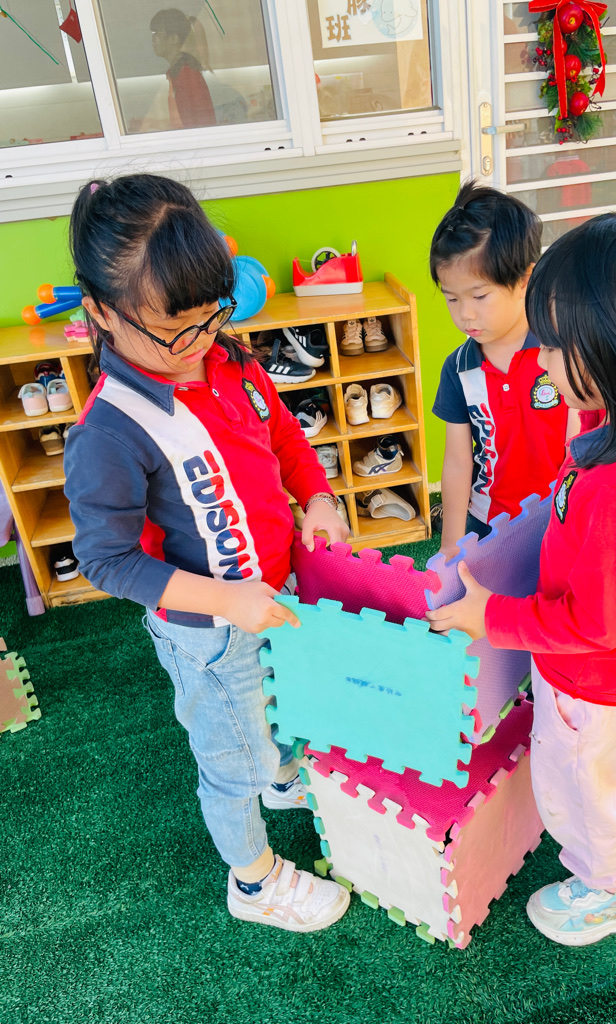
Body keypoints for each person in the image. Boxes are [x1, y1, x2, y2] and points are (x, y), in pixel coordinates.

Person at [426, 213, 616, 946]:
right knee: (615, 750)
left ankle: (615, 886)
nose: (541, 361)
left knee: (570, 783)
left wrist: (490, 616)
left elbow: (593, 624)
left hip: (589, 682)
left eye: (555, 346)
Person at [64, 173, 351, 933]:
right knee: (230, 761)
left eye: (211, 316)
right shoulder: (109, 431)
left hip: (273, 593)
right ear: (102, 311)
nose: (196, 344)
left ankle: (281, 776)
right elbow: (106, 560)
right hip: (211, 633)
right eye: (174, 331)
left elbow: (283, 436)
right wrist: (226, 599)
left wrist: (319, 497)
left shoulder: (230, 358)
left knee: (280, 705)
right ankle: (254, 881)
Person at [430, 181, 578, 559]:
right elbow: (458, 461)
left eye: (479, 296)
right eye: (452, 299)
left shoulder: (561, 350)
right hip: (488, 522)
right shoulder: (458, 369)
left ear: (525, 279)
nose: (465, 314)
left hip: (562, 514)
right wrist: (450, 544)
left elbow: (579, 443)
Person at [150, 8, 216, 129]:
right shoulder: (178, 73)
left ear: (173, 39)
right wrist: (152, 123)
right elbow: (182, 120)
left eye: (157, 34)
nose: (153, 39)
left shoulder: (187, 75)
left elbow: (202, 123)